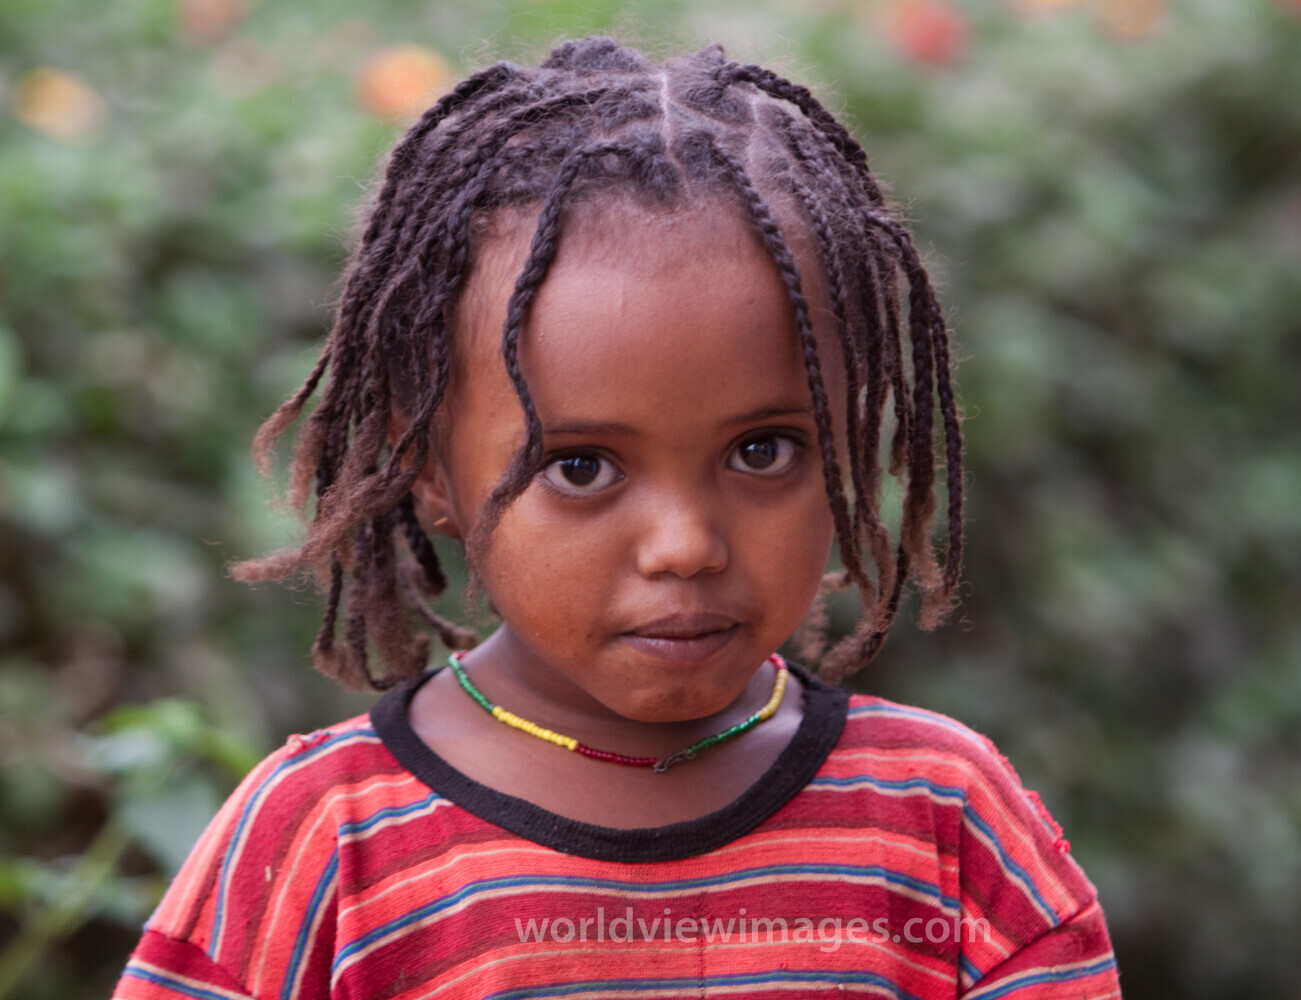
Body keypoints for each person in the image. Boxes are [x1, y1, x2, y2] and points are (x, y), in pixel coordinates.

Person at [114, 37, 1119, 999]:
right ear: (424, 462)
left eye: (762, 450)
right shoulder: (326, 844)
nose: (685, 544)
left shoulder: (944, 823)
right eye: (582, 466)